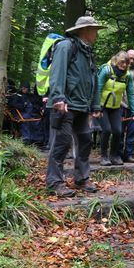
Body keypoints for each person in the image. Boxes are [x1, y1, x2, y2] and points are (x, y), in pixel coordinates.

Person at [46, 16, 105, 198]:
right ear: (84, 30)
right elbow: (57, 72)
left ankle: (81, 179)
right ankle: (55, 182)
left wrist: (95, 105)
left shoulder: (88, 52)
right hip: (66, 104)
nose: (96, 33)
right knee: (61, 144)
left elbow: (93, 80)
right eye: (94, 29)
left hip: (83, 106)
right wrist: (58, 98)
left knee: (85, 142)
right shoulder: (66, 46)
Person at [96, 51, 134, 166]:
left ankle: (114, 156)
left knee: (117, 131)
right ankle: (104, 156)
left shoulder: (127, 76)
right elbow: (98, 89)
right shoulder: (106, 70)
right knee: (107, 130)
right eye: (122, 62)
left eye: (126, 63)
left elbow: (130, 94)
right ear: (116, 61)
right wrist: (96, 108)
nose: (124, 65)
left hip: (115, 107)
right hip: (102, 106)